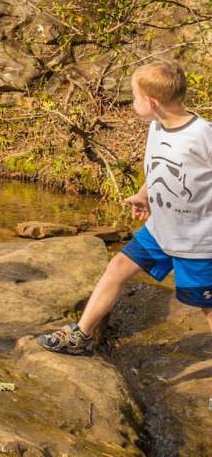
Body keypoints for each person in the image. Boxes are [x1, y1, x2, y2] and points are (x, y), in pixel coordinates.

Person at [39, 59, 212, 355]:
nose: (132, 103)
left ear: (151, 102)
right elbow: (159, 168)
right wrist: (144, 195)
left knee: (207, 306)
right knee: (117, 267)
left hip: (197, 241)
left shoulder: (203, 135)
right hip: (160, 230)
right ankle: (81, 335)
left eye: (134, 97)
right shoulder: (157, 126)